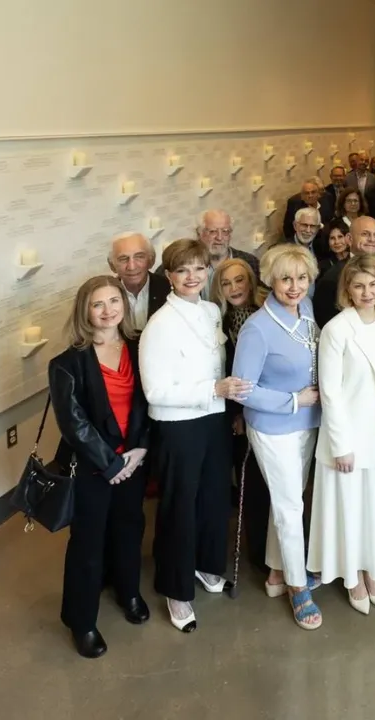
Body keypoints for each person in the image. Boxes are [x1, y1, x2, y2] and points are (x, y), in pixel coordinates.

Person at [139, 240, 252, 632]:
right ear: (169, 276)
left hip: (214, 420)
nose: (192, 276)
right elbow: (154, 391)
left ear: (208, 271)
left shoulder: (210, 311)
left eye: (199, 268)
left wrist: (227, 405)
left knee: (213, 499)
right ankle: (175, 588)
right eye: (182, 270)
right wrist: (212, 390)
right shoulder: (159, 325)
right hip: (178, 426)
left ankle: (205, 565)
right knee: (179, 507)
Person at [48, 276, 150, 659]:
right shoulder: (66, 363)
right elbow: (73, 424)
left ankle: (128, 592)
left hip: (134, 460)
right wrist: (111, 464)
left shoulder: (141, 347)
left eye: (114, 301)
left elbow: (150, 403)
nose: (108, 310)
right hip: (92, 467)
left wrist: (140, 449)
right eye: (98, 304)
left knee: (129, 529)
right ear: (85, 311)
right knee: (87, 543)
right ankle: (82, 621)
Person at [306, 255, 375, 614]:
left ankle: (373, 570)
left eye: (373, 284)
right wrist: (340, 446)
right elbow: (330, 392)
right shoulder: (336, 329)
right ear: (347, 289)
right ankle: (353, 577)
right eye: (359, 285)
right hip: (347, 436)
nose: (367, 292)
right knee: (350, 508)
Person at [232, 244, 324, 630]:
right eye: (286, 279)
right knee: (289, 507)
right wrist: (294, 400)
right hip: (273, 427)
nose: (294, 286)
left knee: (289, 500)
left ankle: (275, 571)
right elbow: (241, 390)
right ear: (270, 280)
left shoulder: (306, 310)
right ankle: (298, 587)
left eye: (302, 278)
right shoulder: (257, 328)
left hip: (308, 423)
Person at [208, 257, 270, 567]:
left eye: (239, 280)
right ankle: (260, 554)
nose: (233, 288)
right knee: (251, 486)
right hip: (235, 417)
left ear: (251, 280)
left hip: (269, 409)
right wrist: (237, 413)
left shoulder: (267, 314)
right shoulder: (217, 323)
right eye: (226, 283)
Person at [313, 215, 375, 328]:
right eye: (365, 234)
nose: (372, 239)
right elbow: (327, 324)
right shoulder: (332, 277)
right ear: (349, 239)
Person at [109, 232, 169, 331]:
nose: (132, 267)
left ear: (151, 261)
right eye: (123, 259)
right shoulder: (105, 296)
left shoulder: (169, 289)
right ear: (112, 265)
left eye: (139, 257)